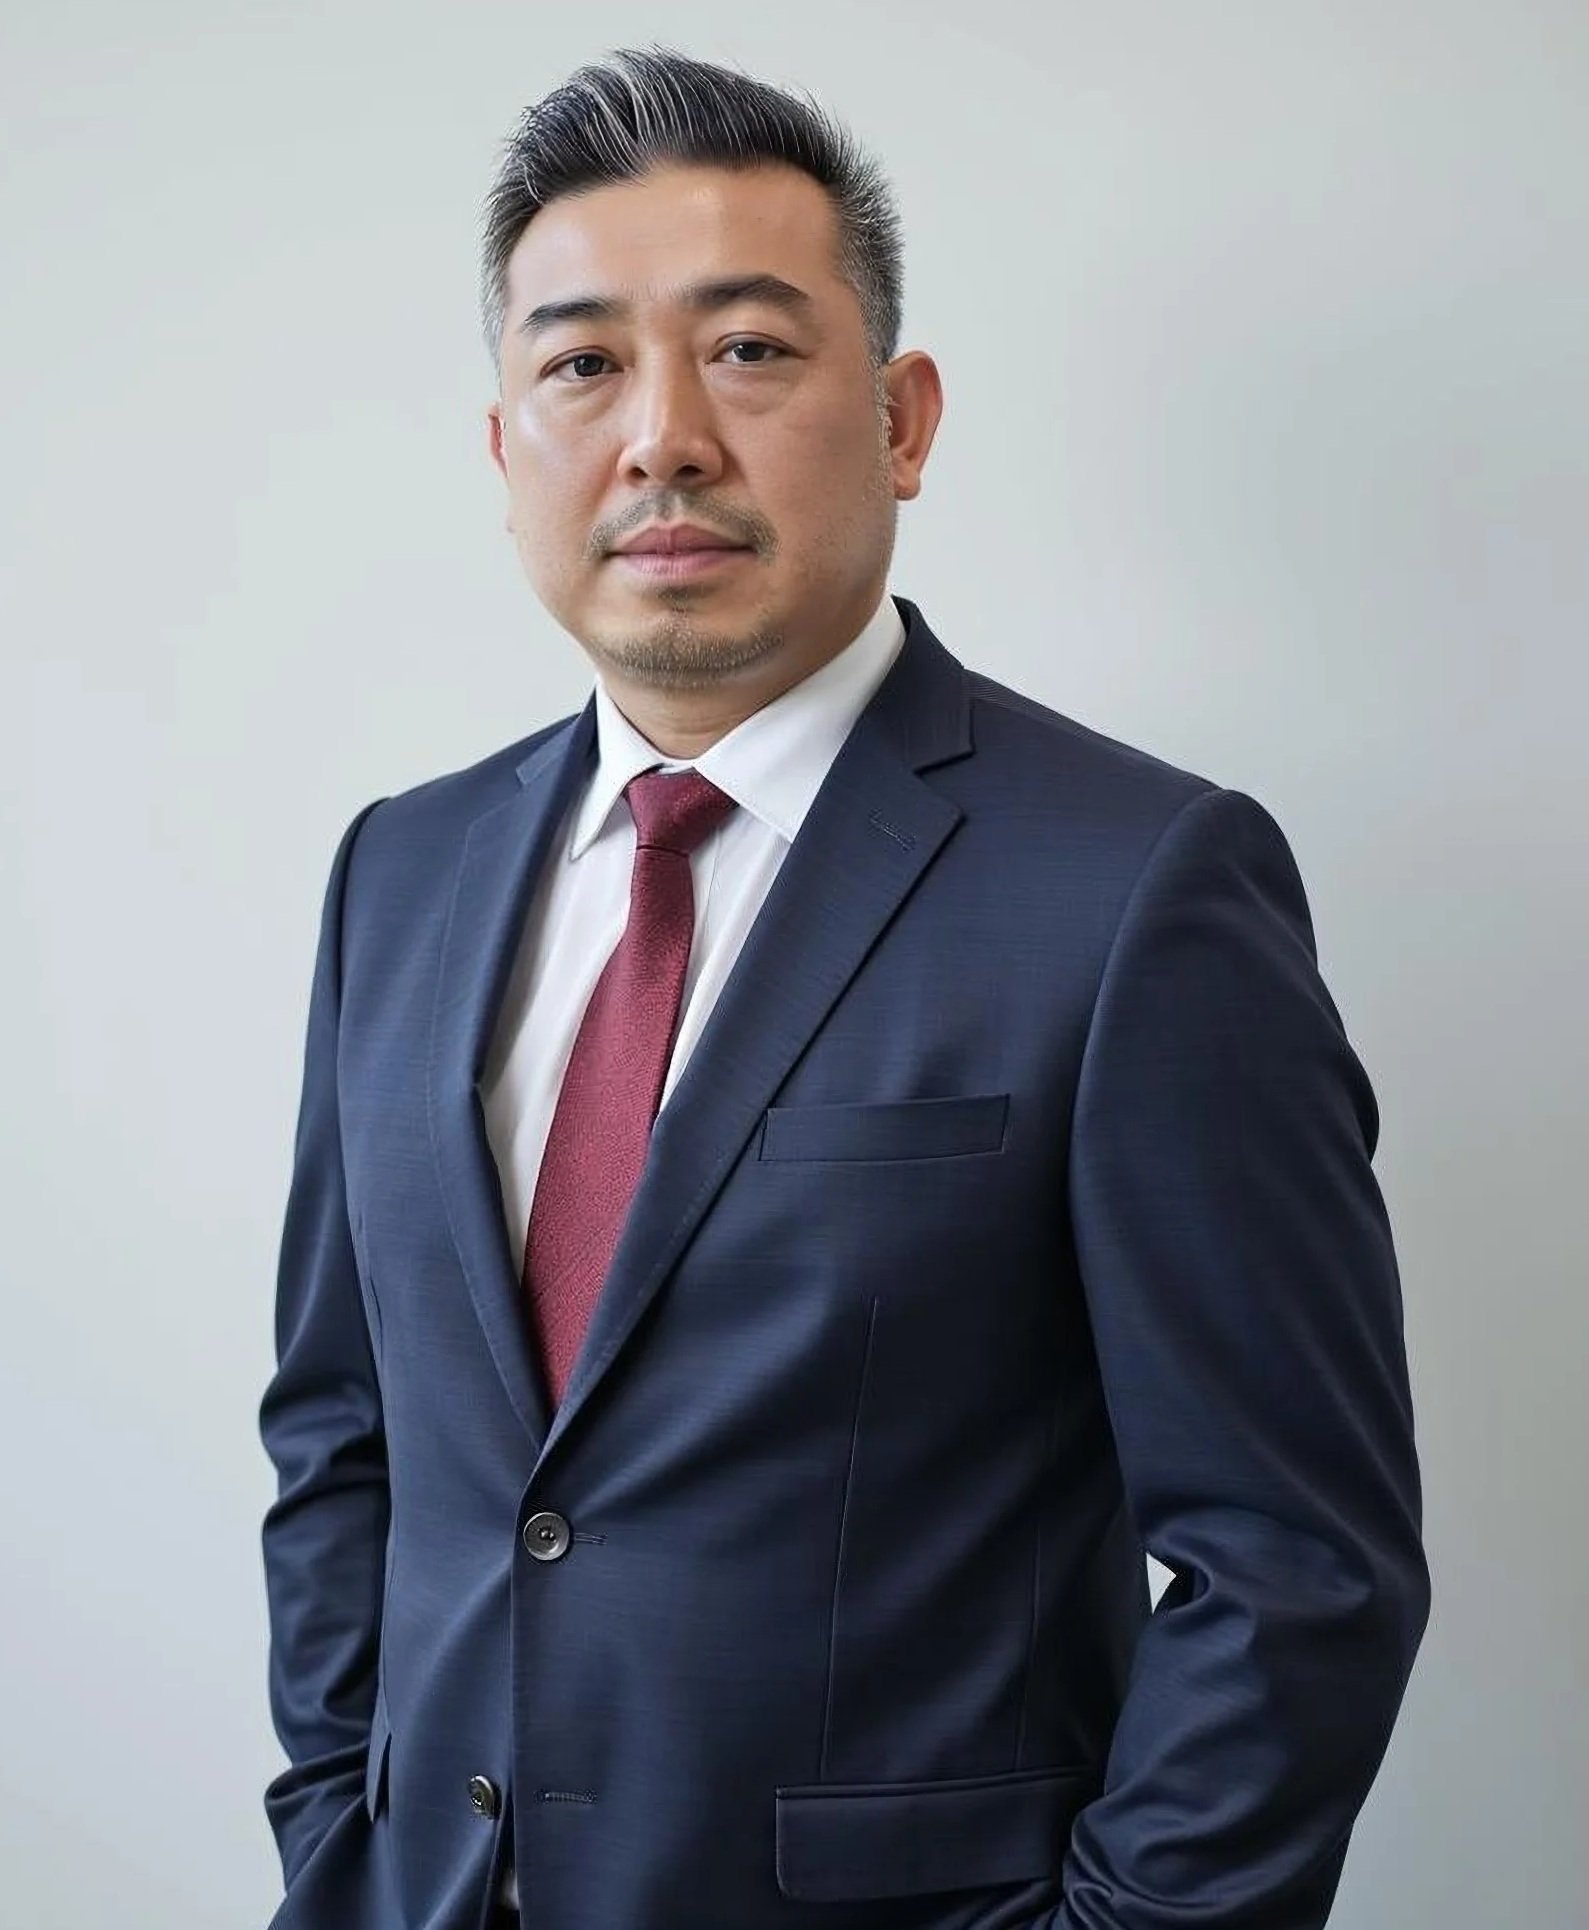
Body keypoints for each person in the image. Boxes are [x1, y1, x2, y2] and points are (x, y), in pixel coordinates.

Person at [258, 45, 1430, 1930]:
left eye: (745, 349)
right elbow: (342, 1442)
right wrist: (340, 1834)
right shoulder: (399, 870)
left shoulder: (1136, 886)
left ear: (899, 419)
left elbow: (1295, 1565)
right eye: (581, 365)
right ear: (503, 452)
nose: (661, 439)